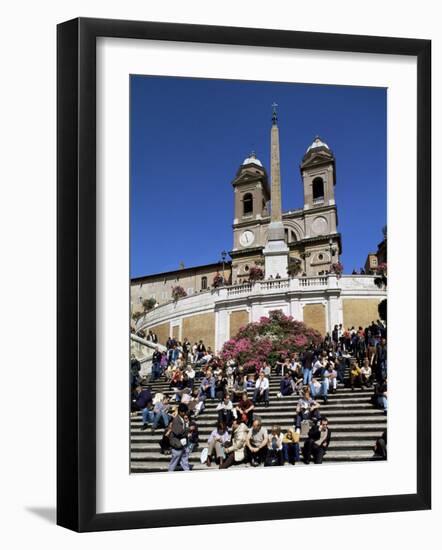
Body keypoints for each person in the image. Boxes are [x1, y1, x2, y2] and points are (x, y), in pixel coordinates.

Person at [168, 403, 191, 471]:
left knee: (185, 461)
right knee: (174, 462)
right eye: (184, 412)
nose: (185, 413)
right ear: (180, 411)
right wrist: (187, 428)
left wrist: (186, 424)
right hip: (177, 444)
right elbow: (178, 432)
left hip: (182, 444)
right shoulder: (176, 420)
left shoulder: (182, 419)